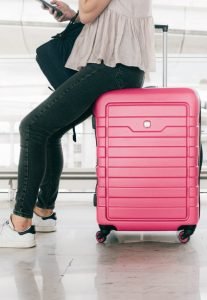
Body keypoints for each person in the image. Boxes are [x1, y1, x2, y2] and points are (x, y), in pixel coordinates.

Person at [0, 0, 156, 248]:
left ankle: (19, 224)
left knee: (32, 127)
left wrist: (80, 13)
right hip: (121, 69)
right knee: (49, 132)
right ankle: (43, 211)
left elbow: (88, 10)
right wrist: (72, 14)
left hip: (110, 68)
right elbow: (92, 14)